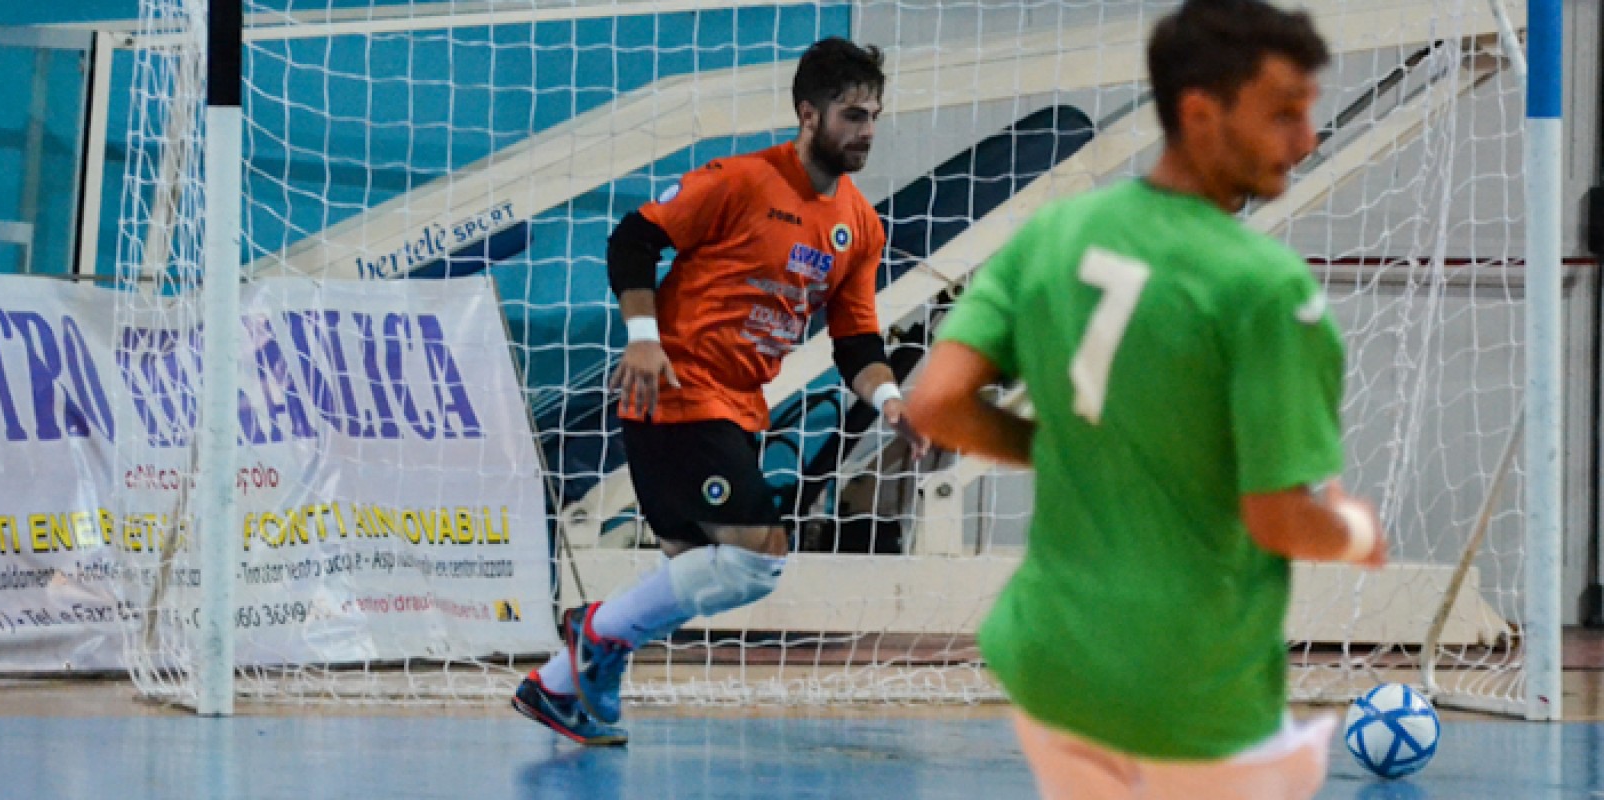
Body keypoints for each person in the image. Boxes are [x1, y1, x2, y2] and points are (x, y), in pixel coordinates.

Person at [906, 1, 1388, 797]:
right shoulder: (1266, 290)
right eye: (1284, 114)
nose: (1307, 139)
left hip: (1052, 665)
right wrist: (1353, 530)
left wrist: (1062, 446)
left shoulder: (1052, 233)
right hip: (1191, 692)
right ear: (1200, 115)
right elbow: (1277, 517)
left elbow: (935, 404)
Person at [512, 36, 926, 746]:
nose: (866, 132)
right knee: (757, 557)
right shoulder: (740, 181)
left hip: (738, 407)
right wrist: (644, 337)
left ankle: (558, 684)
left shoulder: (860, 225)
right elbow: (633, 239)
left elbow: (855, 340)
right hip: (675, 389)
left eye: (874, 116)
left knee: (689, 573)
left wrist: (892, 403)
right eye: (853, 115)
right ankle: (597, 632)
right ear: (808, 113)